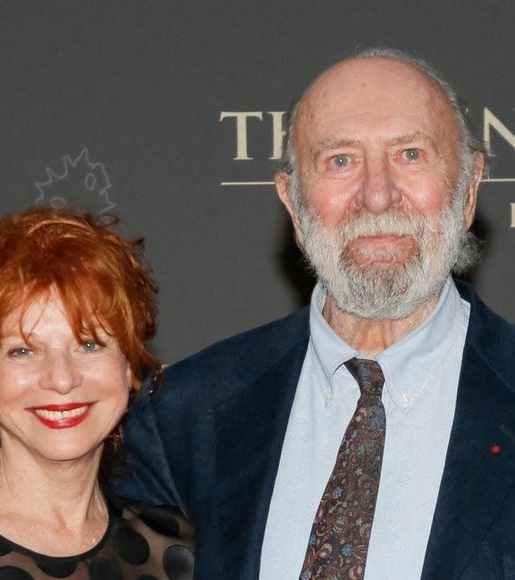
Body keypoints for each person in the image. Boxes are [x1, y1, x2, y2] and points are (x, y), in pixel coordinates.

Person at [115, 47, 515, 580]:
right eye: (341, 160)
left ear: (468, 188)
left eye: (411, 154)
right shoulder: (181, 417)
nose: (377, 196)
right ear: (293, 202)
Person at [0, 208, 194, 579]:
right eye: (23, 350)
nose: (61, 379)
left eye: (89, 345)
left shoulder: (178, 551)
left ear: (127, 368)